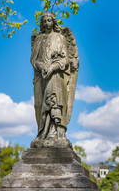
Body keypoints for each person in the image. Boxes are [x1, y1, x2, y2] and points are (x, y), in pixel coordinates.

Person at [30, 12, 71, 146]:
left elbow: (65, 60)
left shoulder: (60, 38)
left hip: (56, 76)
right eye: (44, 21)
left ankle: (58, 136)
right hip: (41, 77)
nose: (47, 23)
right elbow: (33, 60)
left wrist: (53, 67)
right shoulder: (39, 39)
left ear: (54, 22)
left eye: (49, 20)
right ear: (42, 23)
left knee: (55, 102)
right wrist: (41, 67)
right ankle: (42, 134)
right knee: (39, 105)